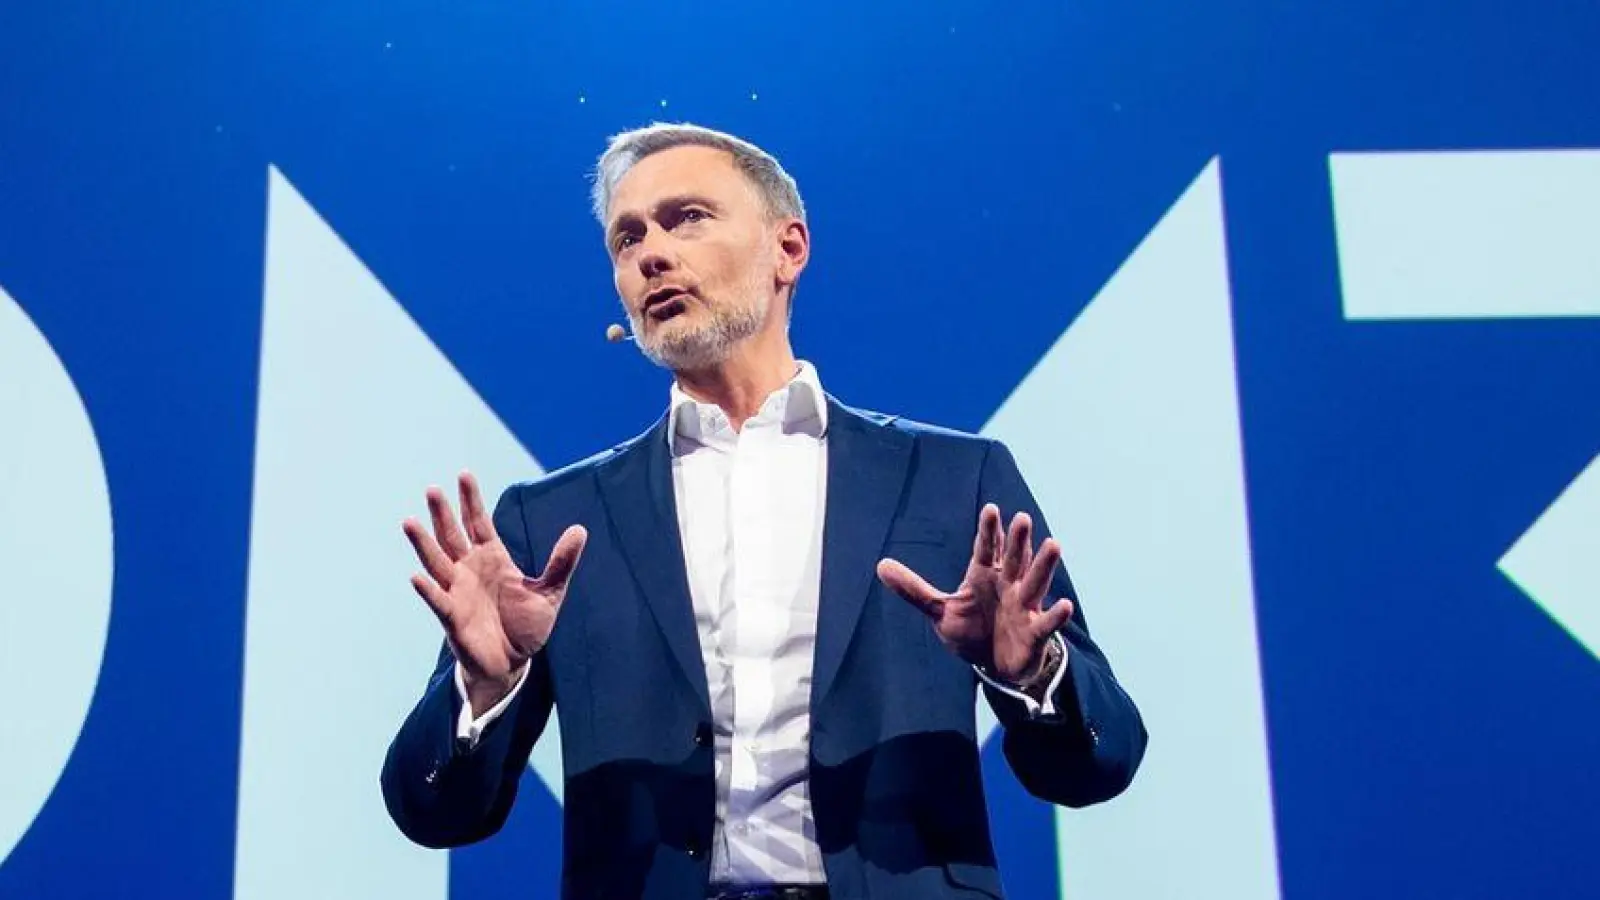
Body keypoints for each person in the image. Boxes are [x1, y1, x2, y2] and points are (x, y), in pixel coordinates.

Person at [381, 122, 1147, 900]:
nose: (649, 254)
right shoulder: (553, 527)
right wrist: (485, 690)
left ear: (789, 249)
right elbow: (435, 813)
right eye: (626, 238)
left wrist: (1030, 673)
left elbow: (1100, 763)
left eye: (687, 218)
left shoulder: (953, 480)